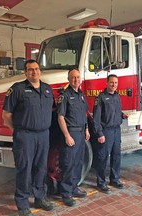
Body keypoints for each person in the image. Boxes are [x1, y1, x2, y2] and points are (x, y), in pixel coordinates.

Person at [2, 59, 55, 216]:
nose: (34, 72)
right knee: (24, 169)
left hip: (44, 135)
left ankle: (40, 197)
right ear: (25, 73)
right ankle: (23, 204)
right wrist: (17, 130)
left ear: (40, 71)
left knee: (41, 168)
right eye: (30, 70)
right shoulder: (17, 89)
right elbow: (6, 115)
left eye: (37, 69)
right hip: (25, 135)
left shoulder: (47, 89)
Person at [57, 67, 90, 207]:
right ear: (68, 79)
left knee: (78, 163)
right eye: (73, 77)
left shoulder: (81, 95)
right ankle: (66, 193)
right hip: (71, 133)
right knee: (68, 164)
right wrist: (67, 135)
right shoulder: (64, 96)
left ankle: (74, 187)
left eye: (78, 77)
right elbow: (60, 117)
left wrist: (87, 129)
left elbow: (84, 114)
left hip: (82, 133)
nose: (76, 79)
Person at [92, 74, 128, 194]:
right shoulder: (100, 98)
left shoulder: (117, 96)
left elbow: (116, 111)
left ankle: (114, 179)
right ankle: (101, 182)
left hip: (117, 130)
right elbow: (96, 119)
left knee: (116, 156)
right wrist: (100, 134)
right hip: (106, 131)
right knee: (102, 158)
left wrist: (122, 115)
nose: (114, 85)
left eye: (116, 83)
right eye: (111, 82)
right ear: (107, 83)